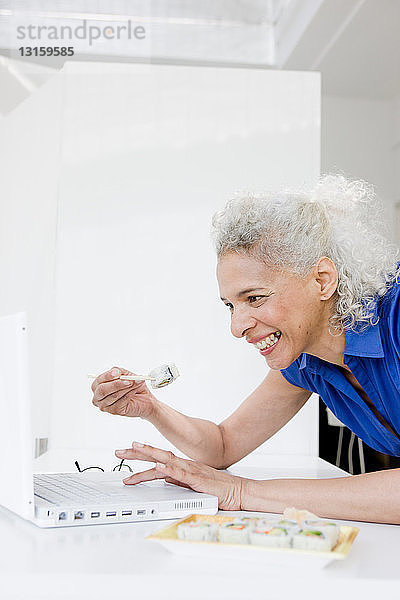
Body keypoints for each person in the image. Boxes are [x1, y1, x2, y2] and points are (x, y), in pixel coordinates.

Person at [91, 175, 400, 524]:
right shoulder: (304, 362)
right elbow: (223, 445)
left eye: (254, 298)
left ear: (322, 280)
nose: (237, 328)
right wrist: (151, 407)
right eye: (230, 305)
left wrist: (241, 491)